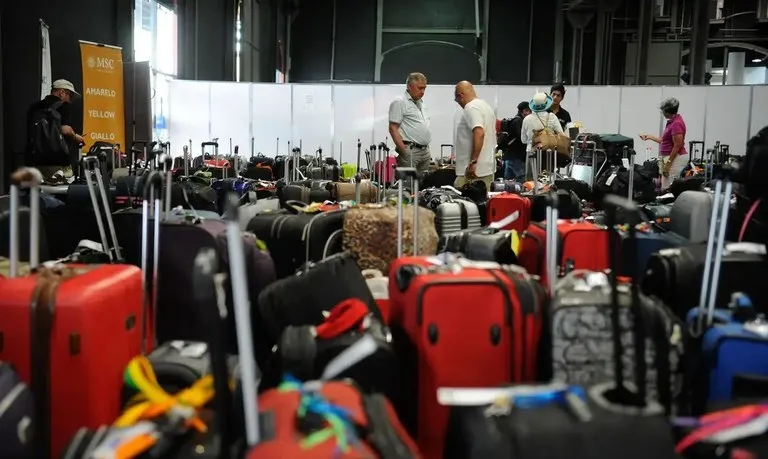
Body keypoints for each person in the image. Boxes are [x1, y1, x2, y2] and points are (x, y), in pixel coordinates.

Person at [26, 79, 84, 180]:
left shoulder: (34, 107)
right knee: (63, 190)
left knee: (40, 192)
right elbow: (65, 130)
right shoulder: (64, 106)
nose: (70, 100)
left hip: (34, 160)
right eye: (70, 95)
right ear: (61, 92)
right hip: (57, 162)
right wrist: (75, 137)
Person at [453, 81, 497, 190]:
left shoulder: (470, 108)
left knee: (462, 202)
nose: (458, 103)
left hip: (472, 171)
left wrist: (474, 162)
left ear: (460, 96)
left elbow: (479, 132)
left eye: (456, 100)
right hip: (486, 167)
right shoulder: (485, 106)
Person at [388, 72, 431, 174]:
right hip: (410, 150)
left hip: (424, 151)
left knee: (423, 185)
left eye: (424, 88)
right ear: (409, 86)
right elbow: (393, 128)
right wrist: (404, 151)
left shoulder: (422, 103)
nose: (423, 91)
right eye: (420, 88)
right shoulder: (400, 102)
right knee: (407, 185)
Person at [640, 97, 687, 190]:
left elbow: (678, 145)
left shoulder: (676, 123)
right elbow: (663, 140)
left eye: (663, 111)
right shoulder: (671, 122)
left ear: (668, 111)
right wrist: (649, 136)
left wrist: (668, 164)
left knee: (669, 187)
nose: (662, 113)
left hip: (675, 157)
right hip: (668, 157)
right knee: (664, 185)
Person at [521, 92, 565, 177]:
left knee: (531, 181)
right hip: (548, 153)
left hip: (531, 152)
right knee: (547, 181)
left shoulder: (527, 119)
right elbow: (561, 135)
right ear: (546, 104)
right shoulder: (551, 117)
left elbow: (523, 140)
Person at [498, 101, 531, 181]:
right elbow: (522, 139)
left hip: (509, 157)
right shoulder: (519, 122)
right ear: (525, 111)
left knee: (508, 184)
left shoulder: (513, 120)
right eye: (530, 111)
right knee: (522, 181)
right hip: (516, 158)